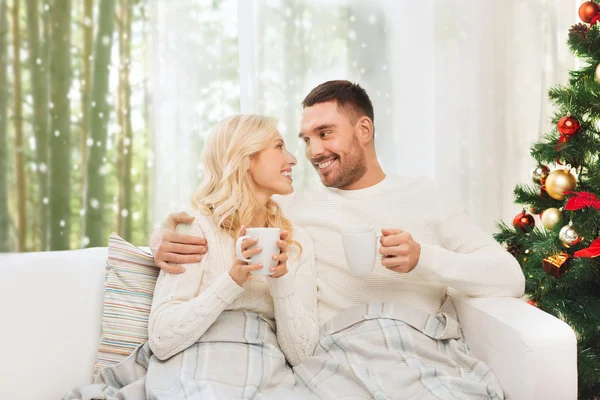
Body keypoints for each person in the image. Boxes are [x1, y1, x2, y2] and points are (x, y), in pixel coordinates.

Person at [151, 80, 525, 399]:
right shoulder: (291, 208)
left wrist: (423, 258)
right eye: (306, 139)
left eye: (325, 134)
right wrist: (160, 239)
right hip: (339, 354)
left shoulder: (429, 198)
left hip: (419, 347)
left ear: (364, 130)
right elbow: (224, 208)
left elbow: (509, 277)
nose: (313, 152)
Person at [65, 114, 318, 400]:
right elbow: (162, 339)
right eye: (279, 146)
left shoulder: (297, 242)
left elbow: (302, 354)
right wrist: (232, 280)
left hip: (263, 368)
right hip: (196, 366)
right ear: (246, 158)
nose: (293, 158)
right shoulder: (194, 229)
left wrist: (280, 280)